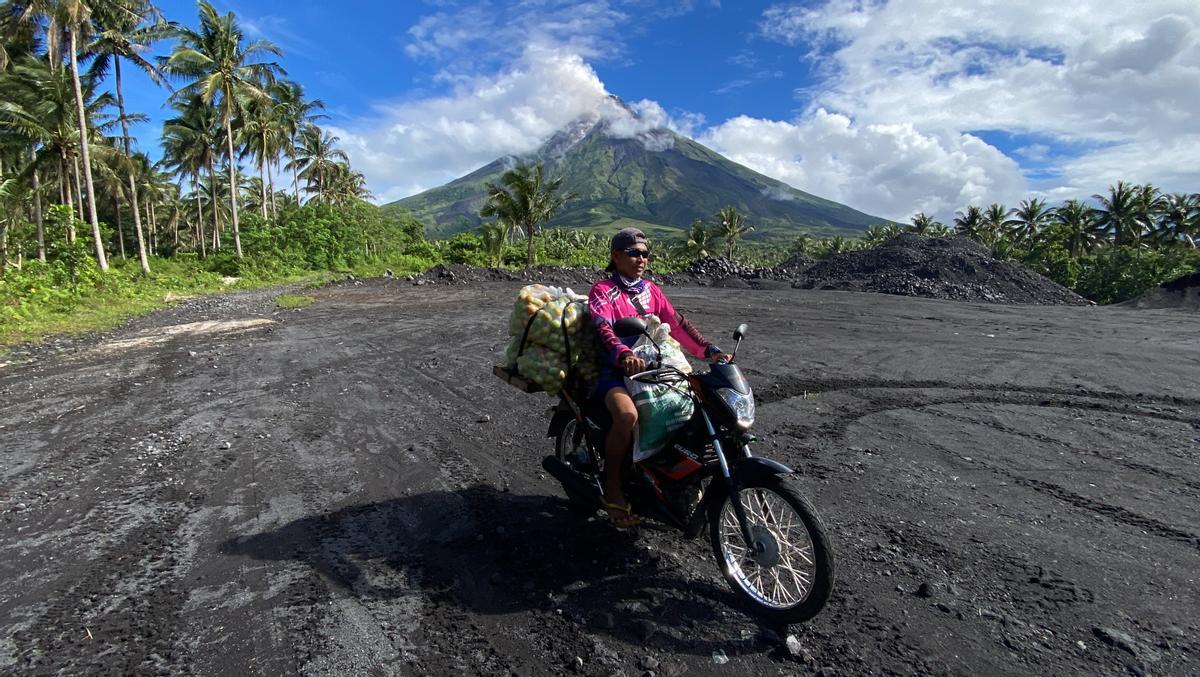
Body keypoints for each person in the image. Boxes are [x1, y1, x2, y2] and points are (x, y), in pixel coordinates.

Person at [588, 227, 730, 528]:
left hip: (653, 370)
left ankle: (671, 478)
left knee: (698, 405)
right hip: (616, 372)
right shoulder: (603, 291)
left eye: (645, 253)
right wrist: (623, 354)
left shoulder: (651, 290)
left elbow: (677, 325)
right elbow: (603, 329)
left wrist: (709, 351)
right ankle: (612, 488)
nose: (641, 258)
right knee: (627, 416)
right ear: (616, 256)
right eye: (634, 252)